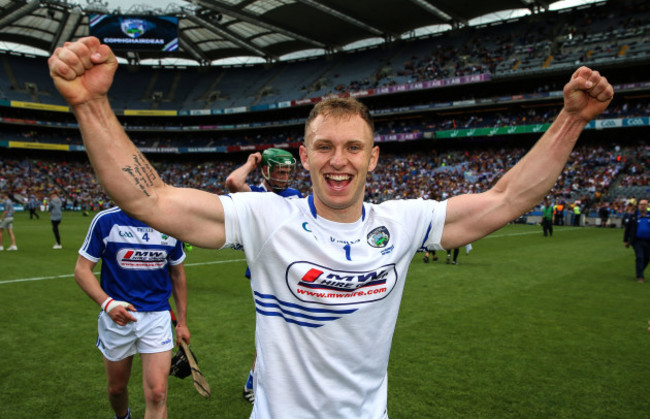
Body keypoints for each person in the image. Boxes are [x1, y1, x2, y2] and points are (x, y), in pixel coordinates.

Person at [49, 36, 614, 418]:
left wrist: (571, 119)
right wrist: (92, 105)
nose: (337, 160)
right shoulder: (267, 216)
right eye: (324, 146)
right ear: (303, 155)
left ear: (374, 158)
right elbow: (151, 198)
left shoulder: (405, 221)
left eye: (352, 147)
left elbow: (508, 196)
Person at [74, 206, 190, 419]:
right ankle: (123, 416)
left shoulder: (170, 222)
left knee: (158, 393)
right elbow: (81, 270)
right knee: (116, 389)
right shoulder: (106, 221)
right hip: (117, 319)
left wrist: (181, 322)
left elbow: (178, 274)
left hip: (157, 316)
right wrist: (108, 304)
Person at [225, 148, 303, 404]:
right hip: (266, 276)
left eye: (288, 170)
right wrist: (251, 162)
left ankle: (271, 381)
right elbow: (233, 182)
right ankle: (253, 383)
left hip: (292, 273)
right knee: (273, 333)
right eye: (279, 171)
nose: (284, 175)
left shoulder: (295, 195)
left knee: (290, 333)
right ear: (266, 172)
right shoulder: (256, 194)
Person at [623, 198, 650, 283]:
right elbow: (628, 229)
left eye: (644, 204)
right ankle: (640, 276)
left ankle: (640, 270)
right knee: (640, 257)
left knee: (647, 258)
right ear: (638, 206)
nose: (642, 206)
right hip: (637, 241)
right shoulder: (634, 216)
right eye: (641, 204)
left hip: (649, 241)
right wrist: (626, 240)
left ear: (648, 206)